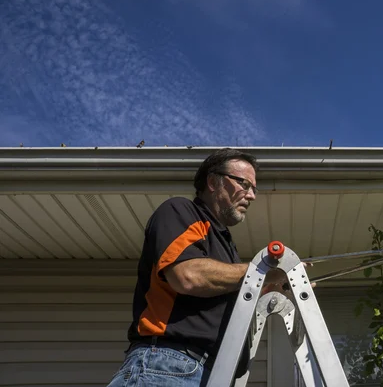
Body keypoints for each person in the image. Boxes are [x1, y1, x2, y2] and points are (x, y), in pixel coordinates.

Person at [107, 148, 283, 386]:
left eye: (254, 188)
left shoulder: (226, 246)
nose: (251, 195)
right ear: (213, 182)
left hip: (210, 373)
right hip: (168, 365)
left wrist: (275, 285)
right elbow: (186, 275)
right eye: (244, 184)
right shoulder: (181, 211)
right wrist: (262, 270)